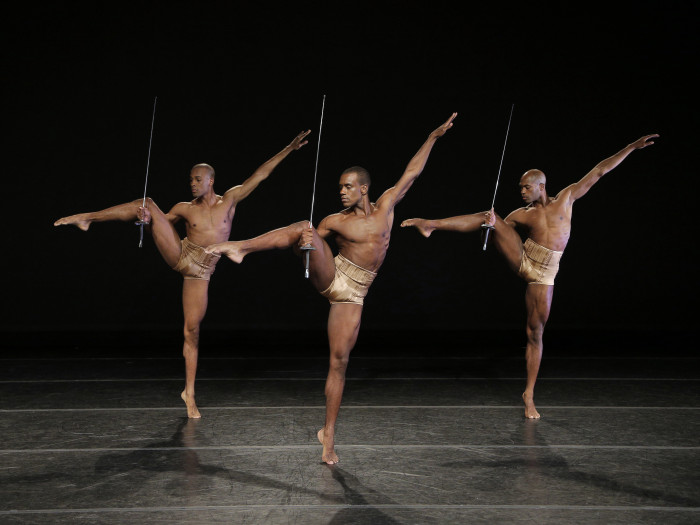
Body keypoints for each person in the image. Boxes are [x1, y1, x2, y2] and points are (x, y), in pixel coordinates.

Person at [207, 113, 458, 463]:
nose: (340, 192)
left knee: (338, 363)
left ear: (363, 188)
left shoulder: (385, 206)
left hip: (355, 294)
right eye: (339, 187)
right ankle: (241, 247)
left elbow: (412, 172)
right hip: (333, 276)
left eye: (347, 187)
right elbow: (301, 252)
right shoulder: (334, 221)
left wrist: (433, 136)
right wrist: (305, 243)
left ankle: (328, 436)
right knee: (302, 227)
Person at [54, 130, 311, 418]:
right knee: (148, 203)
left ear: (210, 180)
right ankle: (88, 218)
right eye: (190, 179)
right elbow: (160, 223)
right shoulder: (184, 208)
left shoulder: (230, 200)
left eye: (197, 179)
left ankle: (189, 392)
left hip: (200, 273)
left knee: (192, 331)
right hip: (180, 254)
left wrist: (289, 148)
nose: (192, 184)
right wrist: (147, 218)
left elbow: (260, 175)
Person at [401, 133, 659, 419]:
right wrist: (490, 226)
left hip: (544, 275)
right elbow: (498, 230)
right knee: (491, 216)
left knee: (535, 333)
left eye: (526, 187)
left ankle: (529, 394)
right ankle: (431, 225)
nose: (522, 191)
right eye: (520, 187)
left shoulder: (567, 198)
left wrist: (631, 147)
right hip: (524, 260)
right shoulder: (520, 215)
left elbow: (600, 170)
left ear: (541, 186)